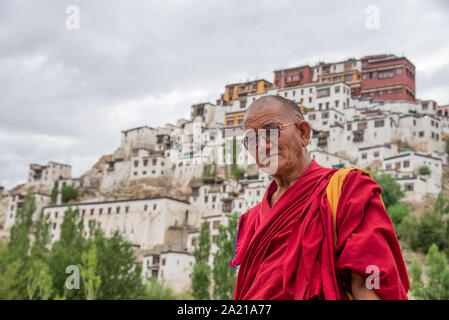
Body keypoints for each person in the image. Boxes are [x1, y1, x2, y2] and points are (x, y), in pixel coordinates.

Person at [229, 95, 409, 300]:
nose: (262, 146)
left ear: (303, 133)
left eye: (271, 132)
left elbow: (368, 279)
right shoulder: (251, 220)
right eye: (251, 139)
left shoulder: (347, 189)